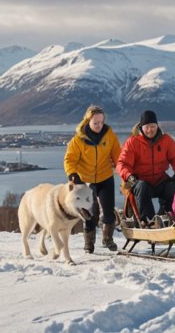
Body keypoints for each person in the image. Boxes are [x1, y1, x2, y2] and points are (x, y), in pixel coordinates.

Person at [64, 105, 121, 253]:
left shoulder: (109, 135)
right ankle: (89, 243)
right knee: (90, 213)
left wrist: (123, 171)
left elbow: (118, 156)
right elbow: (69, 159)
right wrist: (73, 175)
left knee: (109, 211)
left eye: (101, 122)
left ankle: (108, 239)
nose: (99, 125)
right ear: (88, 121)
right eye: (95, 122)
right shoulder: (78, 139)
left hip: (105, 177)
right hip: (86, 180)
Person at [117, 110, 175, 226]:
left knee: (174, 188)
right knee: (142, 187)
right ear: (141, 127)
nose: (150, 130)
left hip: (160, 179)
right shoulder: (132, 142)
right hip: (140, 180)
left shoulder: (166, 140)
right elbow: (122, 164)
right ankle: (148, 222)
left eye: (153, 126)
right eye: (147, 127)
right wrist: (129, 176)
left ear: (157, 126)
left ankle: (170, 218)